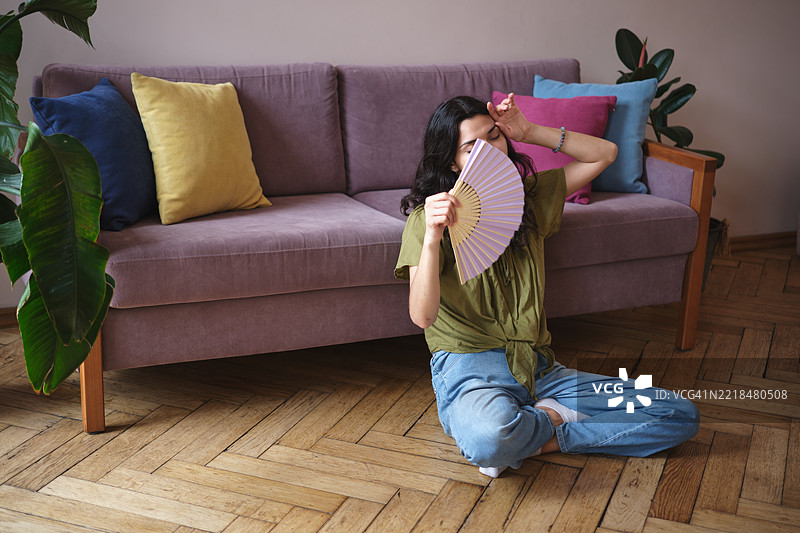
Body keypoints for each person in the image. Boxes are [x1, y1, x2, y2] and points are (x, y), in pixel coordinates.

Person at [394, 93, 700, 477]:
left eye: (495, 136)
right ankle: (528, 431)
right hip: (471, 369)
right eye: (473, 147)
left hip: (540, 369)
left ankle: (546, 428)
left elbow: (604, 153)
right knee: (488, 438)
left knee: (678, 414)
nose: (490, 151)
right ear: (450, 161)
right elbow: (422, 316)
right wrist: (433, 240)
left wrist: (529, 130)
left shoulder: (530, 198)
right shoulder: (428, 220)